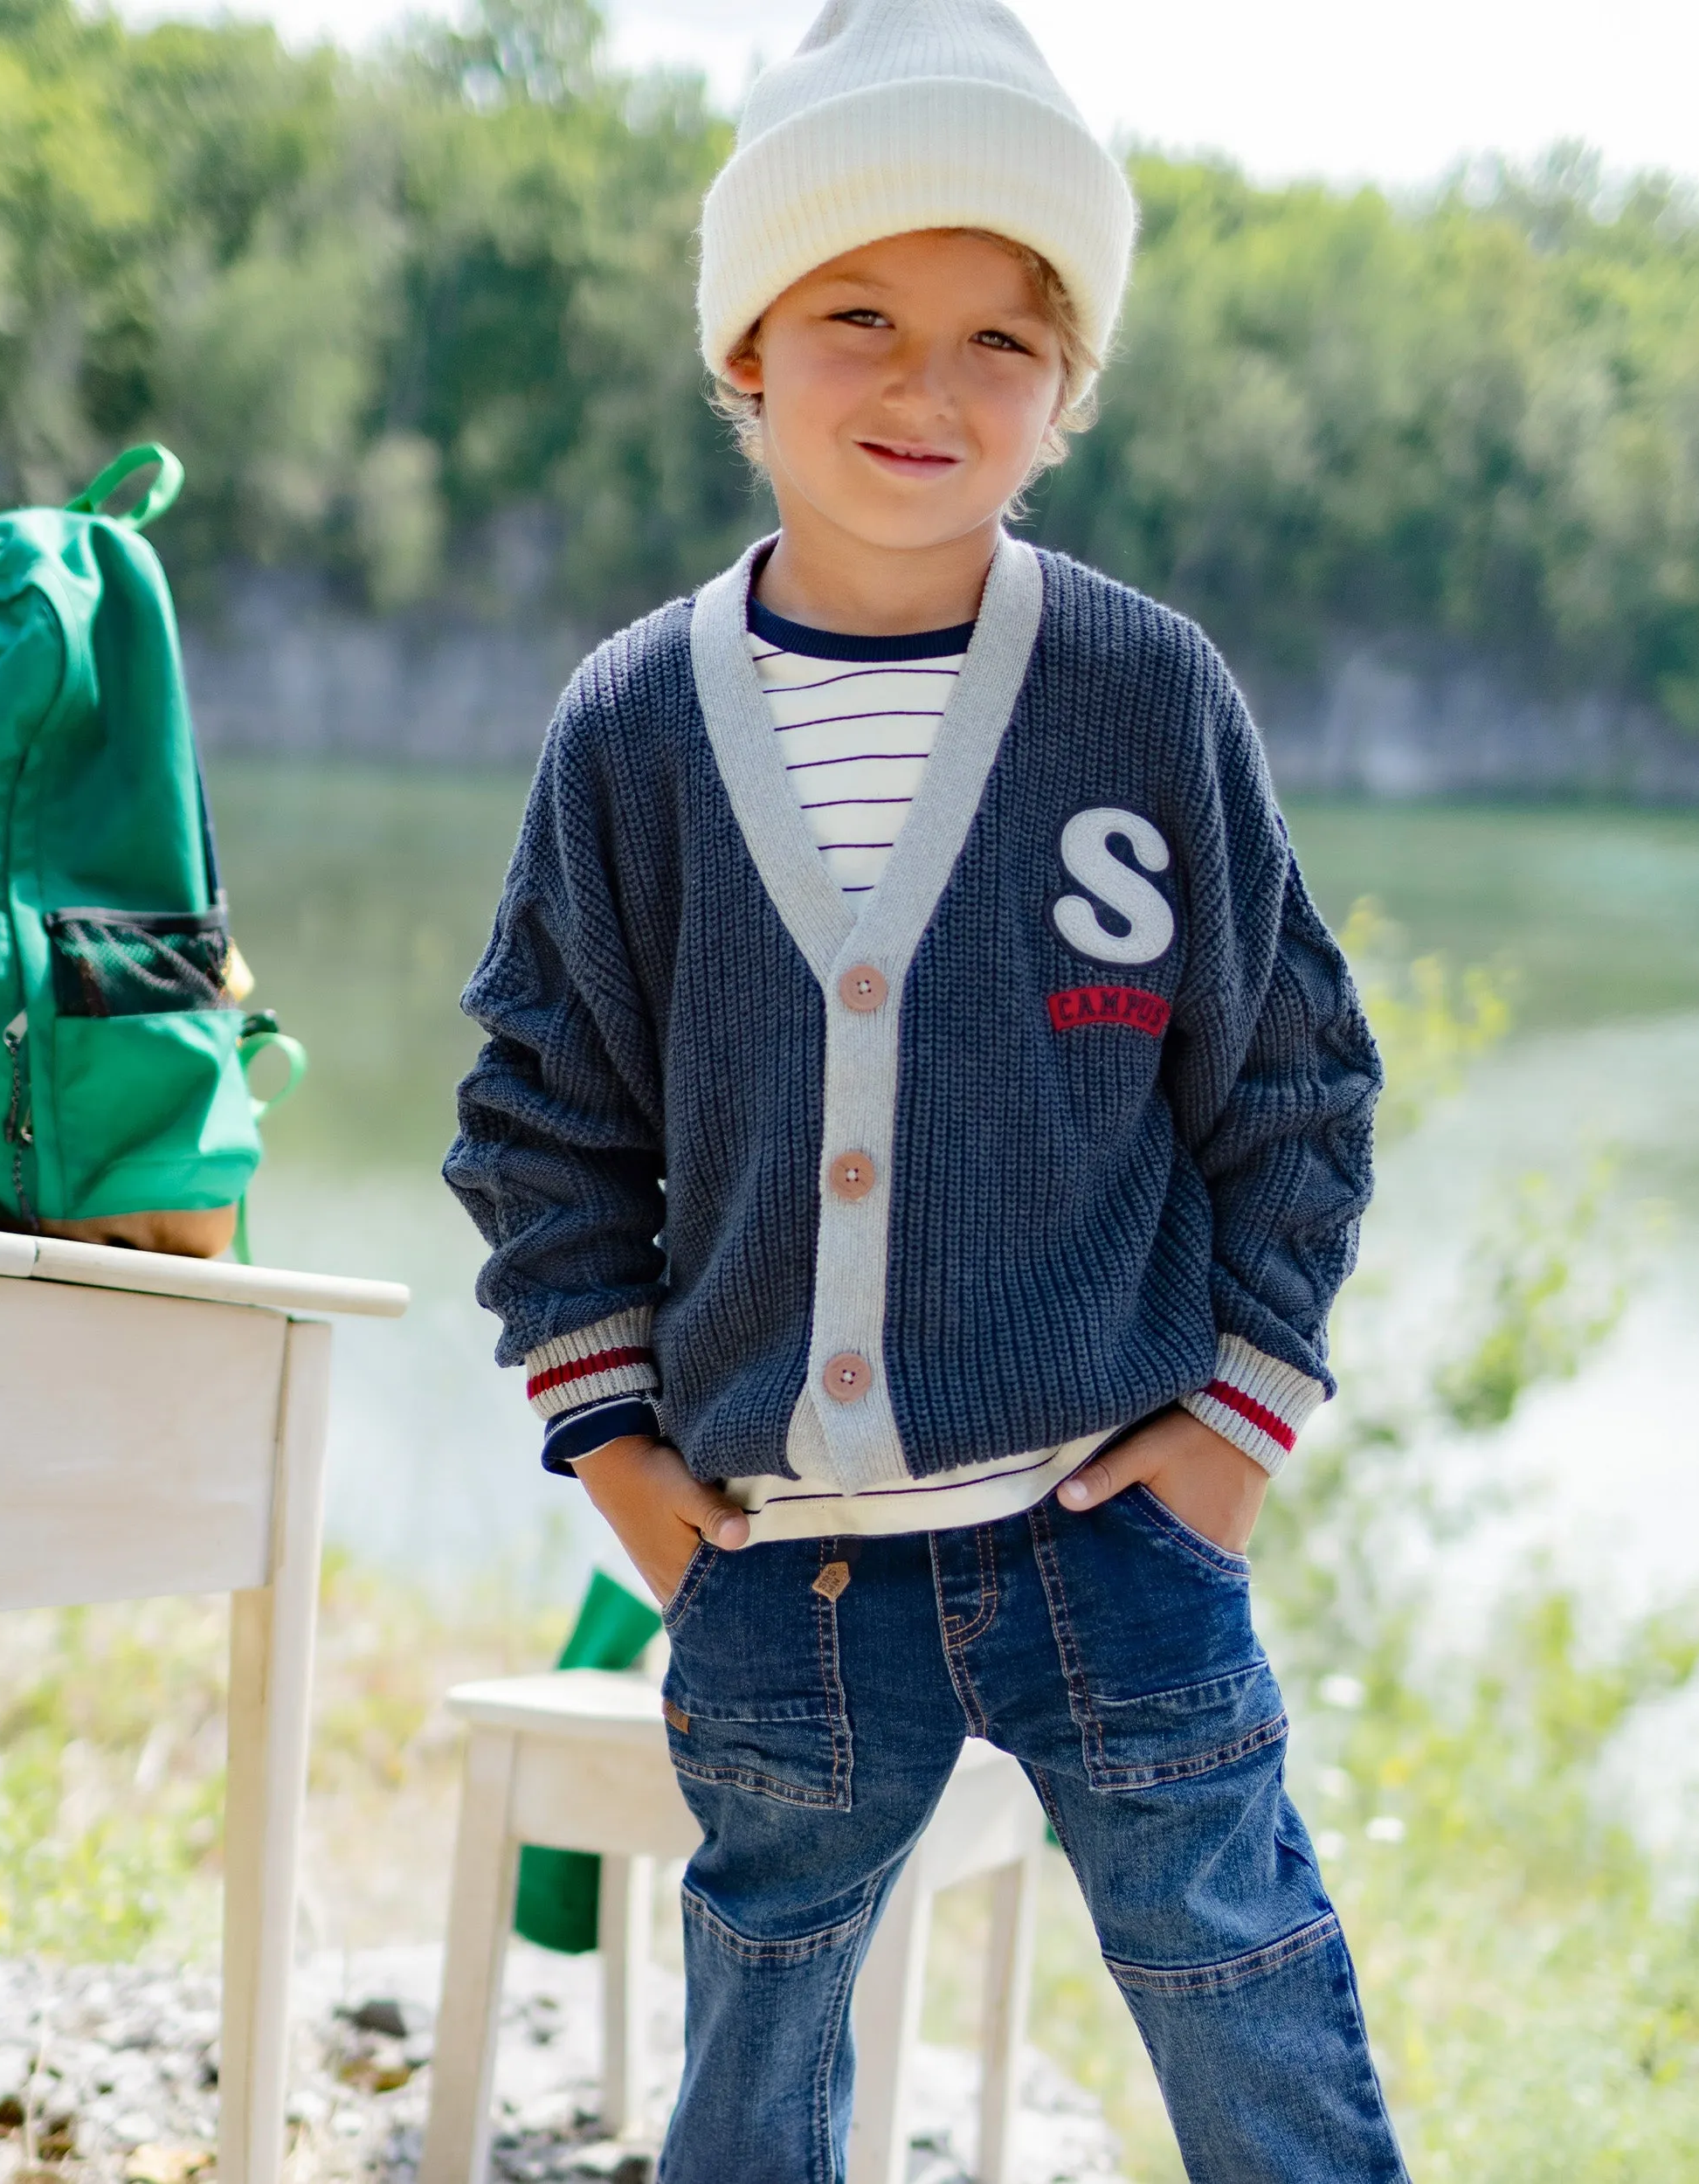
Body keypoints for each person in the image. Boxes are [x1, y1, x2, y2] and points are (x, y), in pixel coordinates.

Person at [443, 3, 1400, 2175]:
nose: (925, 383)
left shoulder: (1144, 695)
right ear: (744, 357)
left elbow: (1292, 1081)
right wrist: (606, 1439)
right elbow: (543, 1116)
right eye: (858, 312)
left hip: (1109, 1526)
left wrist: (1236, 1425)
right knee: (757, 2035)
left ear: (1065, 390)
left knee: (1238, 1976)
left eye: (999, 336)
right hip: (780, 1563)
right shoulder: (632, 729)